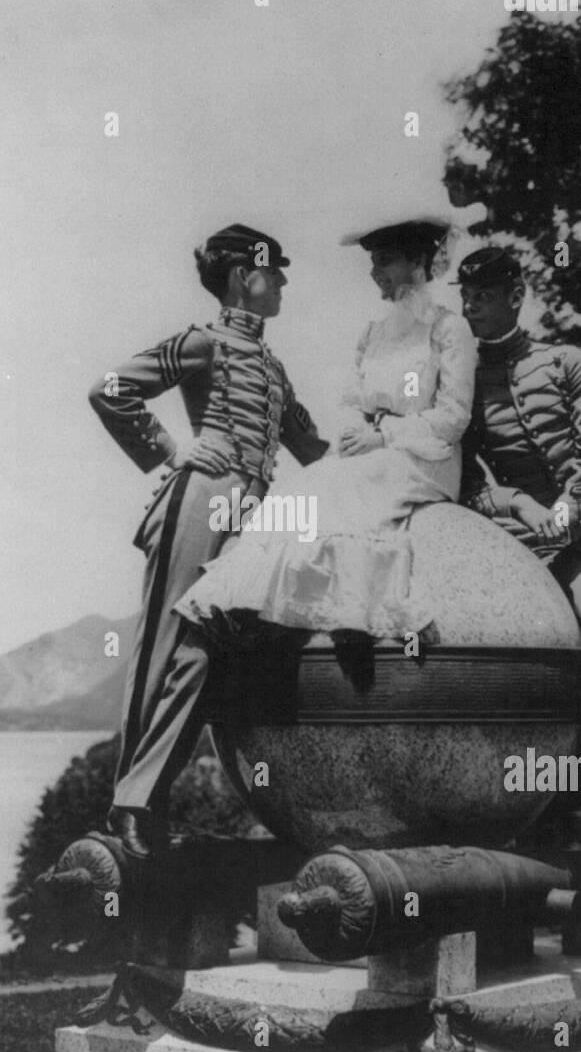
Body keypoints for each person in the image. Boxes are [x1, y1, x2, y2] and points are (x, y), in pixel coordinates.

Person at [88, 224, 328, 857]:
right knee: (164, 649)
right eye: (271, 270)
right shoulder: (203, 343)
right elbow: (110, 390)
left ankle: (145, 797)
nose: (281, 281)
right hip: (201, 500)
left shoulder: (273, 367)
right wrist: (171, 451)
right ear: (239, 278)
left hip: (251, 515)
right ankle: (130, 806)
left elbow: (312, 448)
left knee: (206, 654)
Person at [176, 219, 476, 640]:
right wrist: (357, 434)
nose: (375, 273)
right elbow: (352, 403)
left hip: (426, 459)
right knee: (303, 488)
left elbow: (453, 417)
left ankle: (356, 611)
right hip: (372, 456)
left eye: (386, 261)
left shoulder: (450, 329)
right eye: (373, 262)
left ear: (420, 262)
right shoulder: (374, 334)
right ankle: (247, 605)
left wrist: (385, 435)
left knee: (333, 494)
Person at [455, 246, 581, 861]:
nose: (469, 308)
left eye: (481, 297)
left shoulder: (564, 361)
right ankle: (562, 811)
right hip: (541, 545)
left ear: (515, 294)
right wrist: (516, 505)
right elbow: (471, 482)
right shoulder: (464, 382)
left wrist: (564, 517)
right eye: (464, 298)